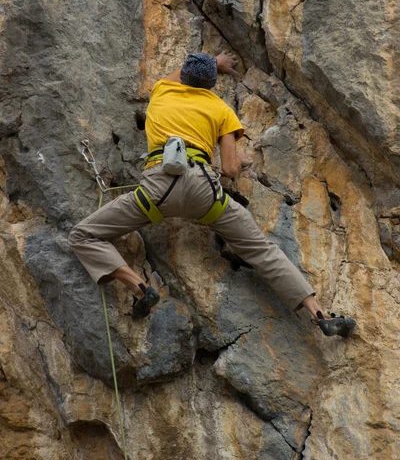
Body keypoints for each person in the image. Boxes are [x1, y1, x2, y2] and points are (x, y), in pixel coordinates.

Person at [69, 52, 355, 337]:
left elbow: (181, 72)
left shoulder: (162, 89)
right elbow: (229, 169)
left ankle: (140, 287)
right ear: (211, 84)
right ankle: (319, 313)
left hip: (157, 192)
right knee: (261, 250)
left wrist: (213, 61)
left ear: (184, 75)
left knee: (84, 235)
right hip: (205, 194)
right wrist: (241, 160)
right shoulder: (221, 110)